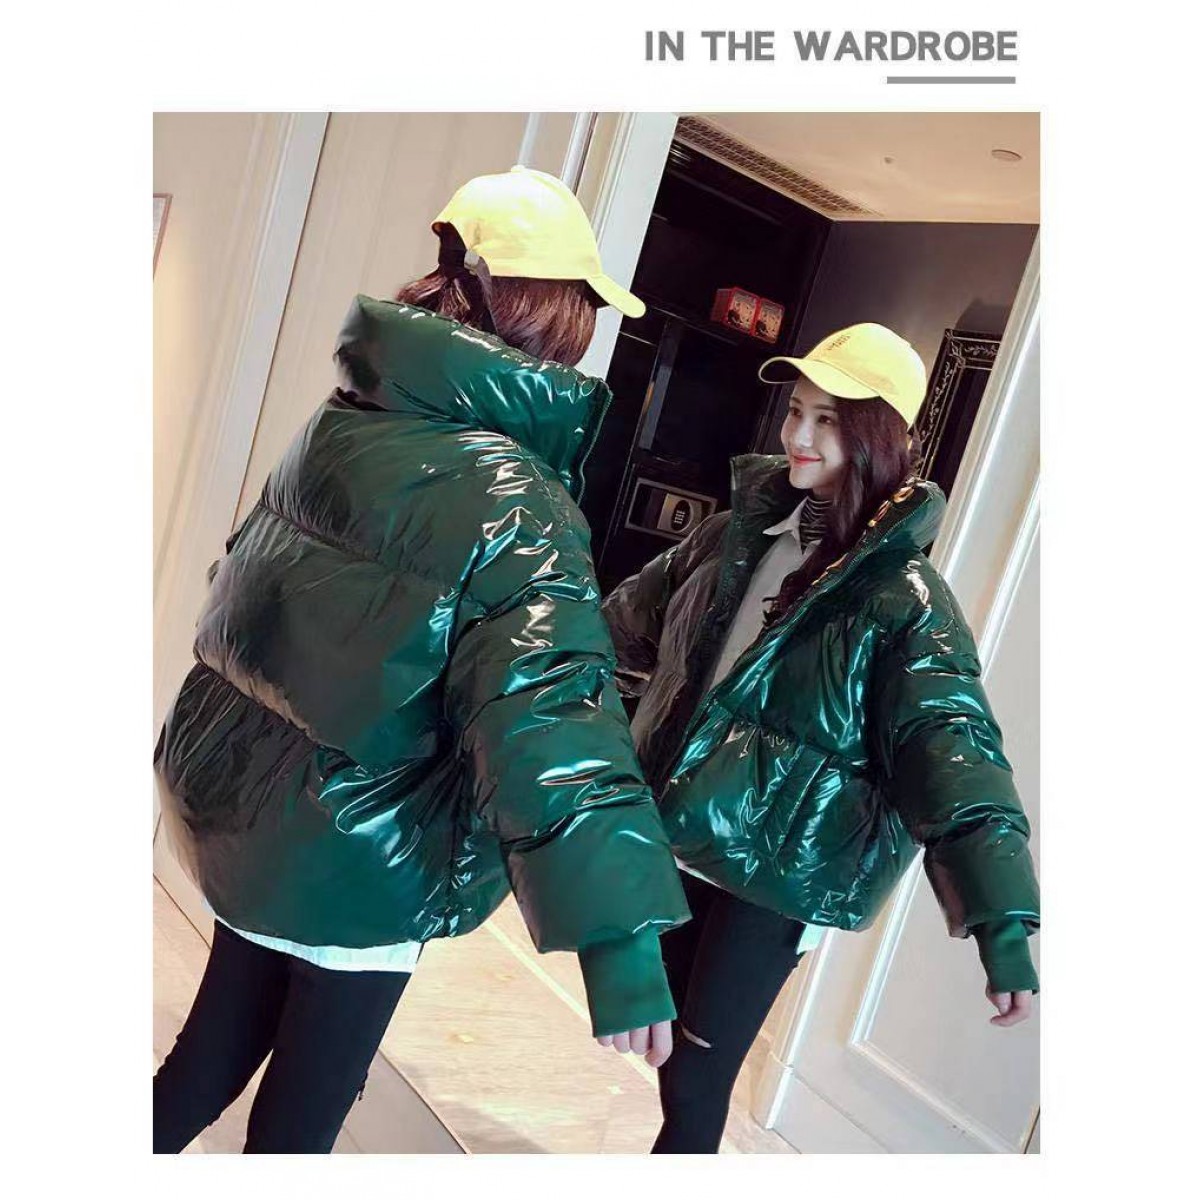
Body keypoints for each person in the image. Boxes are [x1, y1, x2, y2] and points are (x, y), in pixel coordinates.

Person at [153, 166, 690, 1153]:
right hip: (371, 857)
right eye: (581, 306)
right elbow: (550, 719)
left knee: (201, 1062)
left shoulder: (346, 420)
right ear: (545, 309)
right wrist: (619, 939)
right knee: (298, 1125)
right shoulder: (517, 497)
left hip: (253, 817)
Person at [601, 322, 1040, 1154]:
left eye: (827, 420)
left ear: (876, 438)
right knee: (668, 1057)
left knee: (697, 1079)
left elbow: (953, 748)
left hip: (782, 870)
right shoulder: (733, 538)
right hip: (682, 834)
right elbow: (619, 627)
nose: (797, 434)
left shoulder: (903, 598)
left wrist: (1000, 920)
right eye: (796, 410)